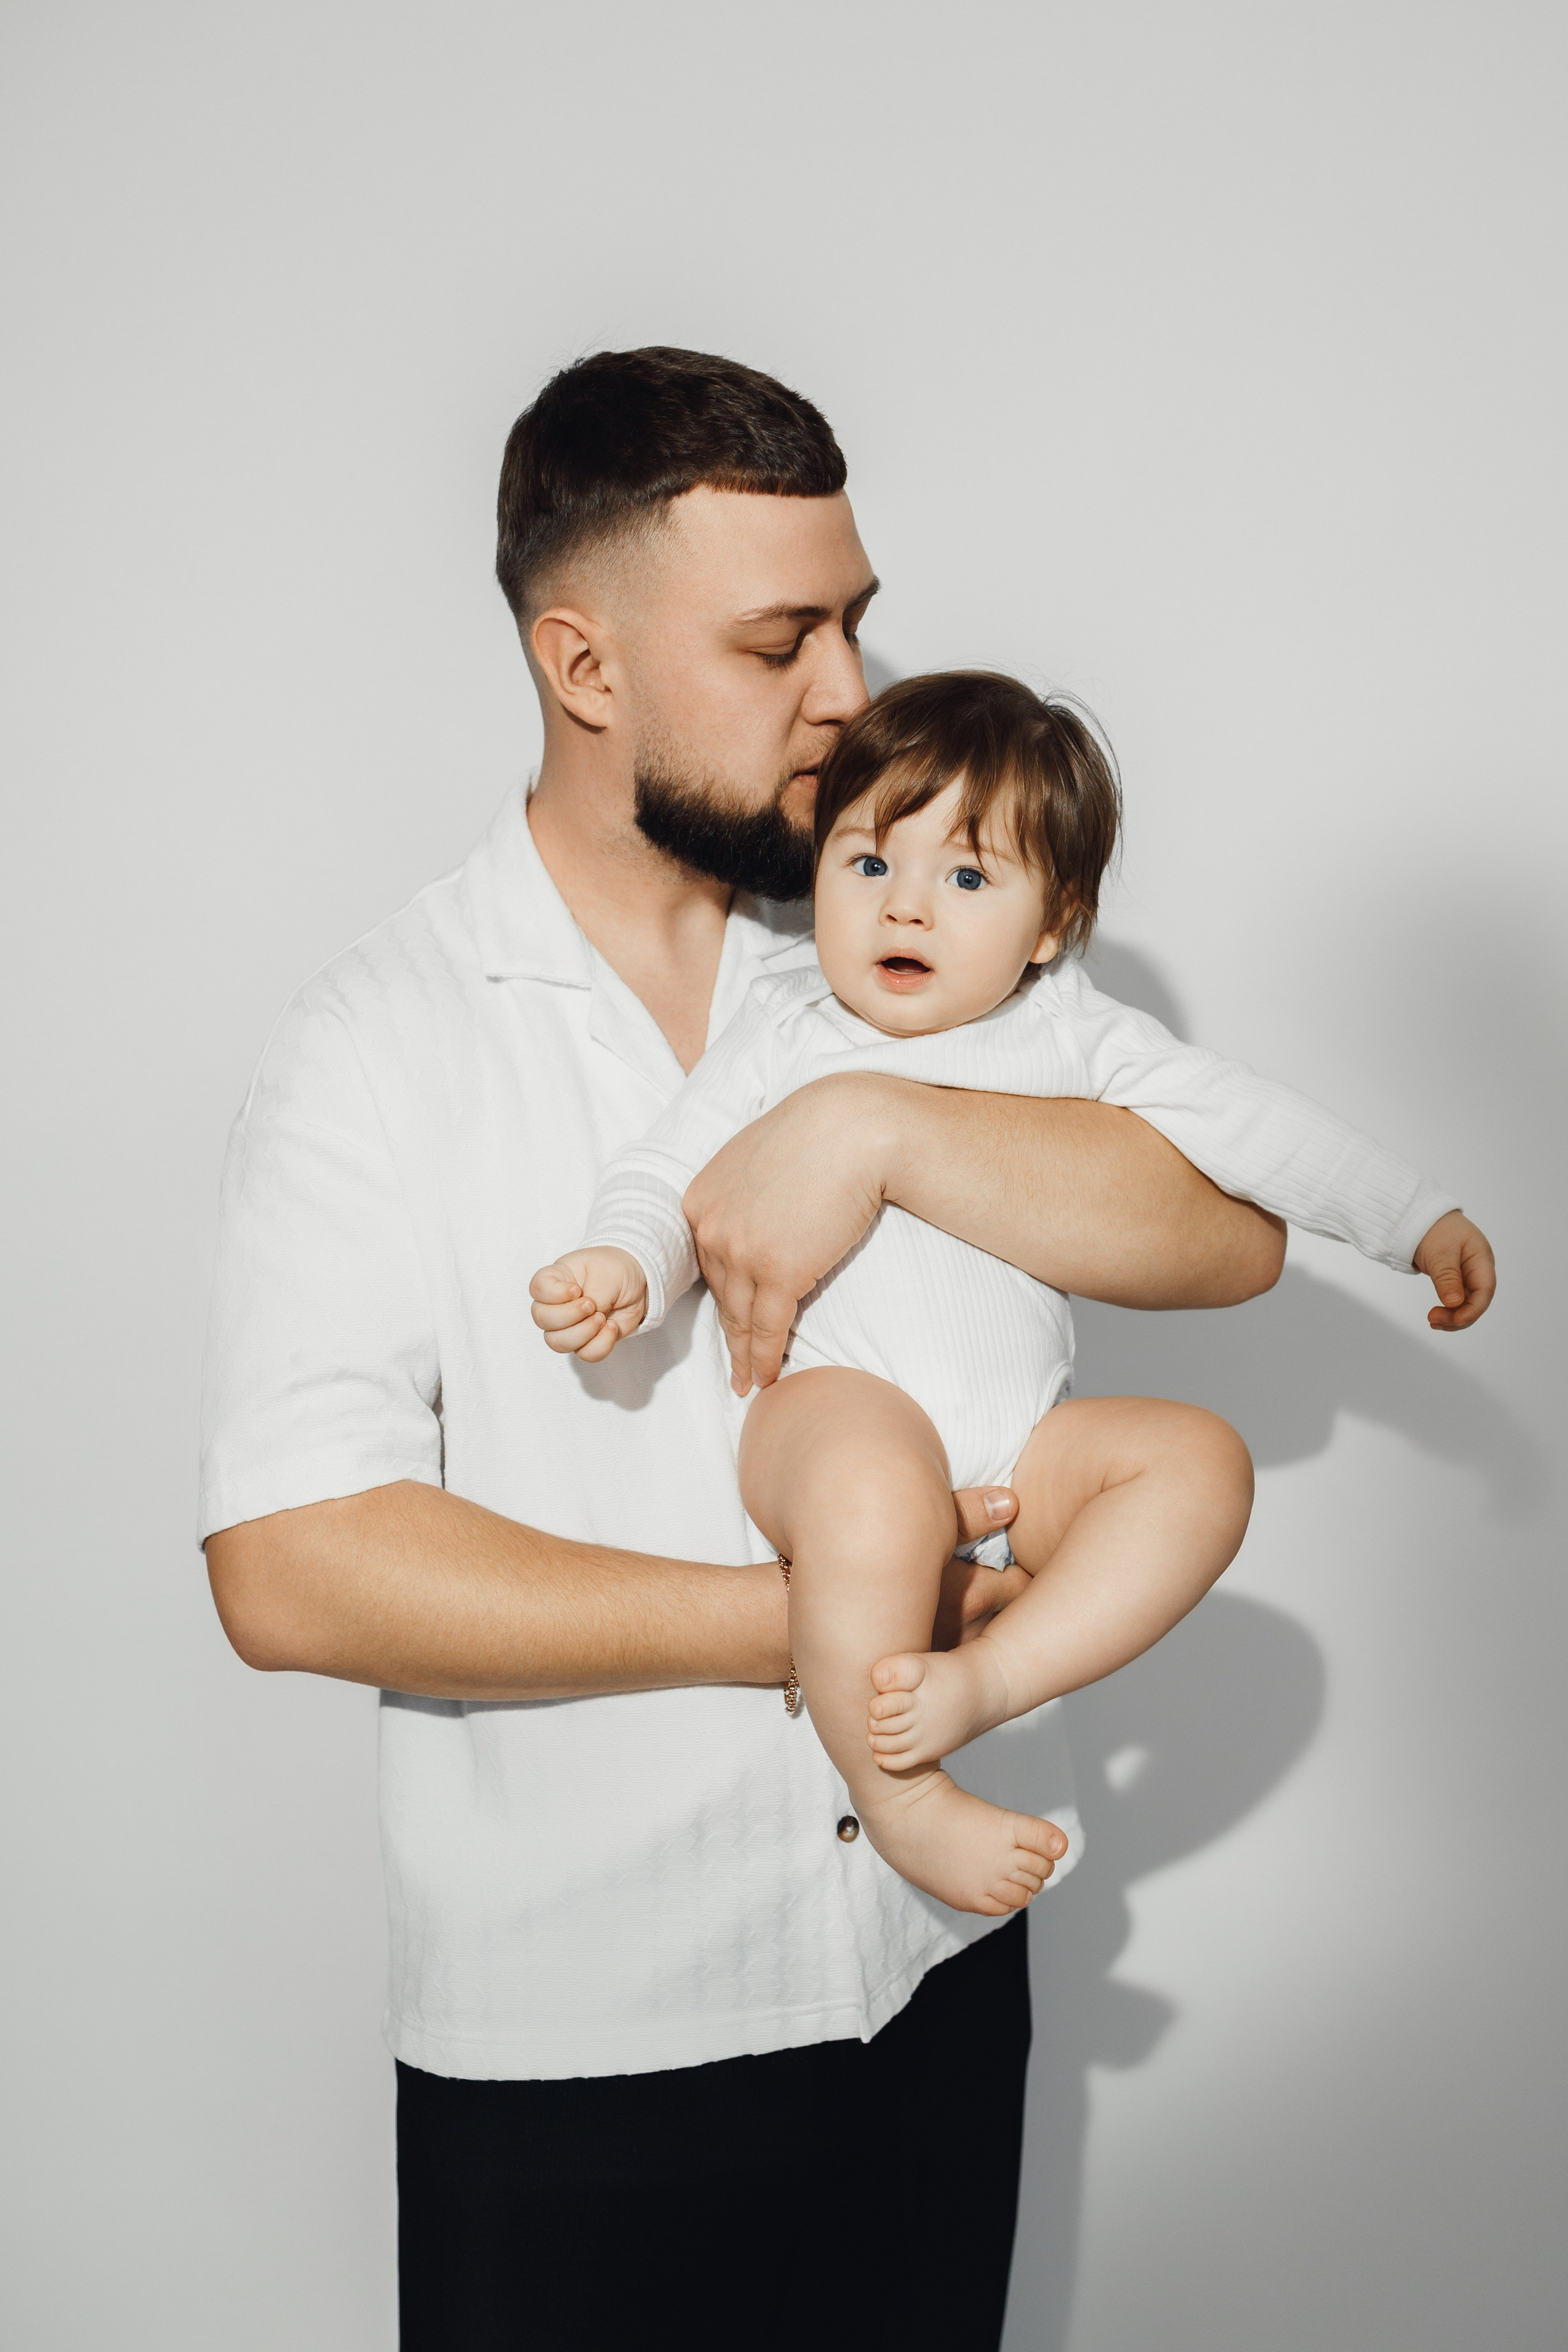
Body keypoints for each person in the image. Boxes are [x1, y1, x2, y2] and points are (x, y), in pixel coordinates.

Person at [202, 347, 1323, 2350]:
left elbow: (1228, 1242)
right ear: (586, 664)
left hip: (932, 1969)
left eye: (859, 619)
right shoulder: (374, 1044)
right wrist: (819, 1630)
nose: (849, 693)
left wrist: (878, 1125)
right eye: (781, 637)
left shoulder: (910, 941)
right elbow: (291, 1568)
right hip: (585, 2043)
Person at [531, 670, 1494, 1924]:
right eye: (867, 864)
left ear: (1051, 927)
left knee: (1196, 1461)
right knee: (871, 1492)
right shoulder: (780, 1026)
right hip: (829, 1411)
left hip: (1020, 1449)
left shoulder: (1072, 1036)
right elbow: (676, 1164)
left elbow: (1248, 1126)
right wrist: (626, 1258)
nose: (908, 907)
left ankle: (989, 1680)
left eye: (969, 879)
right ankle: (898, 1791)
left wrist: (1409, 1217)